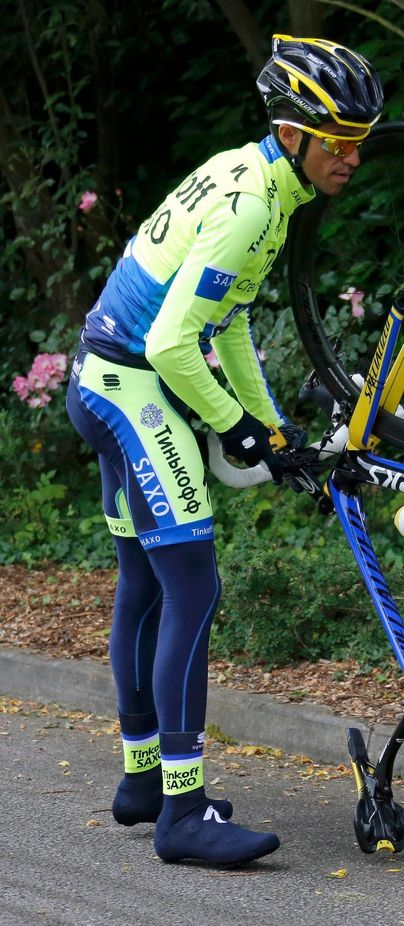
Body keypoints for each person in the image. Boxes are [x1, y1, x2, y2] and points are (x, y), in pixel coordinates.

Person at [65, 35, 383, 865]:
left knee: (142, 579)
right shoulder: (255, 205)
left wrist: (269, 426)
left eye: (363, 141)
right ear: (294, 134)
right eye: (341, 142)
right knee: (192, 582)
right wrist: (240, 430)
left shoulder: (259, 181)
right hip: (134, 386)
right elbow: (176, 343)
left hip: (103, 377)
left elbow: (230, 319)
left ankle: (142, 781)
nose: (354, 156)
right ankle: (182, 813)